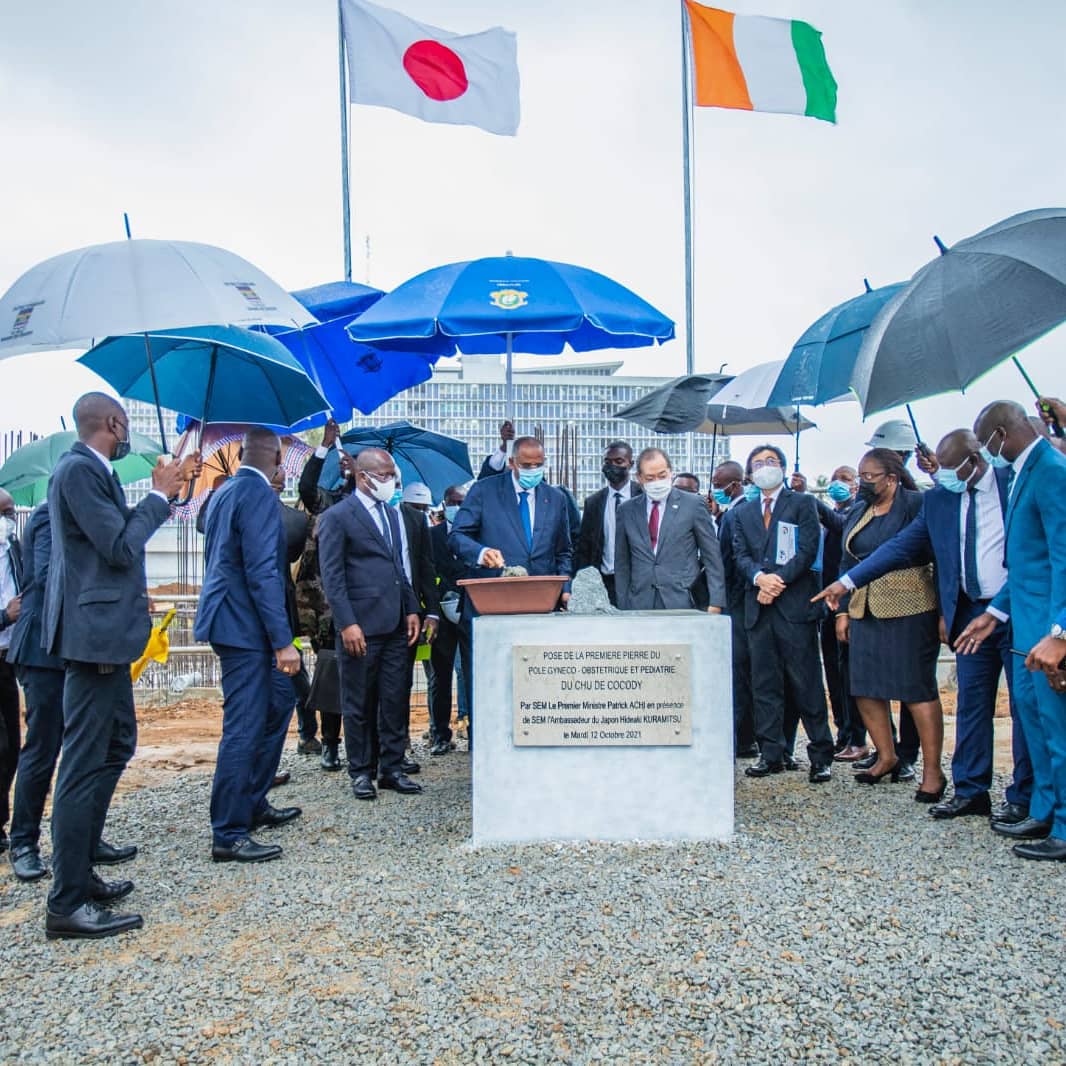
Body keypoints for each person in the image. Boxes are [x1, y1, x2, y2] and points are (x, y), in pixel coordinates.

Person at [817, 431, 1033, 822]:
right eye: (940, 469)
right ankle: (970, 789)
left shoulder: (1009, 485)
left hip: (1013, 608)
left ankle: (1025, 796)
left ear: (976, 459)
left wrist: (940, 614)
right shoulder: (940, 499)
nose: (943, 475)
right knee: (971, 704)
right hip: (966, 611)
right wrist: (845, 587)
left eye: (949, 468)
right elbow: (895, 548)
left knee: (1023, 706)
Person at [41, 393, 185, 939]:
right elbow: (120, 549)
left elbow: (114, 543)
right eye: (125, 429)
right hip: (94, 642)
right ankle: (67, 902)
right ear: (112, 423)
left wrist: (160, 494)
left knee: (118, 744)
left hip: (108, 638)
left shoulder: (91, 473)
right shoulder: (78, 471)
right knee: (82, 764)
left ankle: (83, 862)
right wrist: (157, 493)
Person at [956, 401, 1066, 861]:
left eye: (987, 443)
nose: (987, 452)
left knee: (1057, 728)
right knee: (1036, 722)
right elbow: (1026, 562)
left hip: (1048, 629)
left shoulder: (1053, 469)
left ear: (1002, 432)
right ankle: (1045, 807)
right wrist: (995, 613)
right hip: (1022, 620)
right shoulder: (1025, 469)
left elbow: (1063, 557)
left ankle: (1063, 826)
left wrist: (1061, 631)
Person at [195, 428, 302, 864]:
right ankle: (229, 832)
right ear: (276, 459)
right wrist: (282, 642)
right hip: (245, 629)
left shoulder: (223, 492)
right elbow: (262, 572)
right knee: (244, 725)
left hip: (234, 621)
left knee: (280, 702)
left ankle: (252, 801)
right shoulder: (256, 494)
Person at [828, 448, 946, 801]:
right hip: (864, 607)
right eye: (861, 475)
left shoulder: (916, 504)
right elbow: (847, 561)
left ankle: (932, 771)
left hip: (911, 604)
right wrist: (843, 611)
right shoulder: (860, 509)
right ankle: (887, 755)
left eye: (869, 476)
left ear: (892, 478)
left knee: (915, 688)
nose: (863, 482)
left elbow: (939, 553)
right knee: (864, 686)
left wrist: (944, 611)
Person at [449, 436, 574, 744]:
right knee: (487, 684)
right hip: (490, 607)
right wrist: (480, 552)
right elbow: (457, 536)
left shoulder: (555, 498)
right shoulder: (485, 491)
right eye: (527, 465)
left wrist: (565, 586)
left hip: (539, 608)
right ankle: (485, 750)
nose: (533, 470)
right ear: (511, 463)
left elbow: (564, 550)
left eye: (539, 465)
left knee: (535, 685)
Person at [318, 448, 422, 801]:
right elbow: (332, 577)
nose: (390, 481)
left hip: (395, 624)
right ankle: (360, 771)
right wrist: (346, 623)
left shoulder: (393, 516)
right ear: (362, 477)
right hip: (360, 628)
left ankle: (391, 767)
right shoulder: (338, 517)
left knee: (394, 698)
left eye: (392, 474)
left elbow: (400, 568)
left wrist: (412, 608)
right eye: (384, 475)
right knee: (358, 702)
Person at [731, 443, 834, 783]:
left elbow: (806, 550)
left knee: (806, 683)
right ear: (750, 473)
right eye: (758, 463)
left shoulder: (802, 503)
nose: (764, 467)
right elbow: (740, 554)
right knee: (764, 684)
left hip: (793, 606)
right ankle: (771, 751)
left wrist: (777, 581)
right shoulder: (743, 512)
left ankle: (821, 754)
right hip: (758, 609)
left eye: (771, 461)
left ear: (784, 467)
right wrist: (759, 578)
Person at [613, 447, 725, 613]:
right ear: (639, 478)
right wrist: (623, 604)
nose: (657, 482)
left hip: (682, 599)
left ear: (671, 473)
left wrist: (716, 601)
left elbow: (712, 556)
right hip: (639, 602)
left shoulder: (693, 505)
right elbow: (622, 562)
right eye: (650, 478)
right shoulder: (626, 510)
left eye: (662, 475)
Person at [816, 466, 869, 762]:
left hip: (848, 601)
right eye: (835, 478)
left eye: (846, 479)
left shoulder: (856, 510)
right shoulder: (835, 513)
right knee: (833, 672)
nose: (839, 483)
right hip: (827, 599)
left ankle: (858, 734)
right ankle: (844, 732)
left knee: (849, 672)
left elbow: (840, 527)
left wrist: (814, 504)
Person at [711, 461, 757, 758]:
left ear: (734, 485)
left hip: (736, 603)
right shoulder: (729, 514)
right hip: (739, 603)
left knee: (738, 674)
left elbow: (727, 561)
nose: (716, 489)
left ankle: (740, 738)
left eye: (719, 484)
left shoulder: (736, 515)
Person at [572, 440, 643, 606]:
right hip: (604, 582)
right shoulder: (593, 502)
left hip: (638, 582)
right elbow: (584, 547)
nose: (612, 466)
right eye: (607, 462)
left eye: (619, 461)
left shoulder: (643, 496)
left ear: (630, 464)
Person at [428, 484, 471, 754]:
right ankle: (440, 734)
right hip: (441, 614)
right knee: (440, 676)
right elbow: (426, 570)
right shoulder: (431, 535)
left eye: (462, 502)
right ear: (444, 504)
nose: (457, 506)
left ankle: (475, 730)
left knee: (471, 671)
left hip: (469, 610)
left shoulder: (475, 535)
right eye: (453, 501)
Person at [0, 488, 23, 854]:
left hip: (8, 657)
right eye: (4, 513)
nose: (8, 521)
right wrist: (4, 616)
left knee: (13, 747)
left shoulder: (14, 554)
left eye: (10, 513)